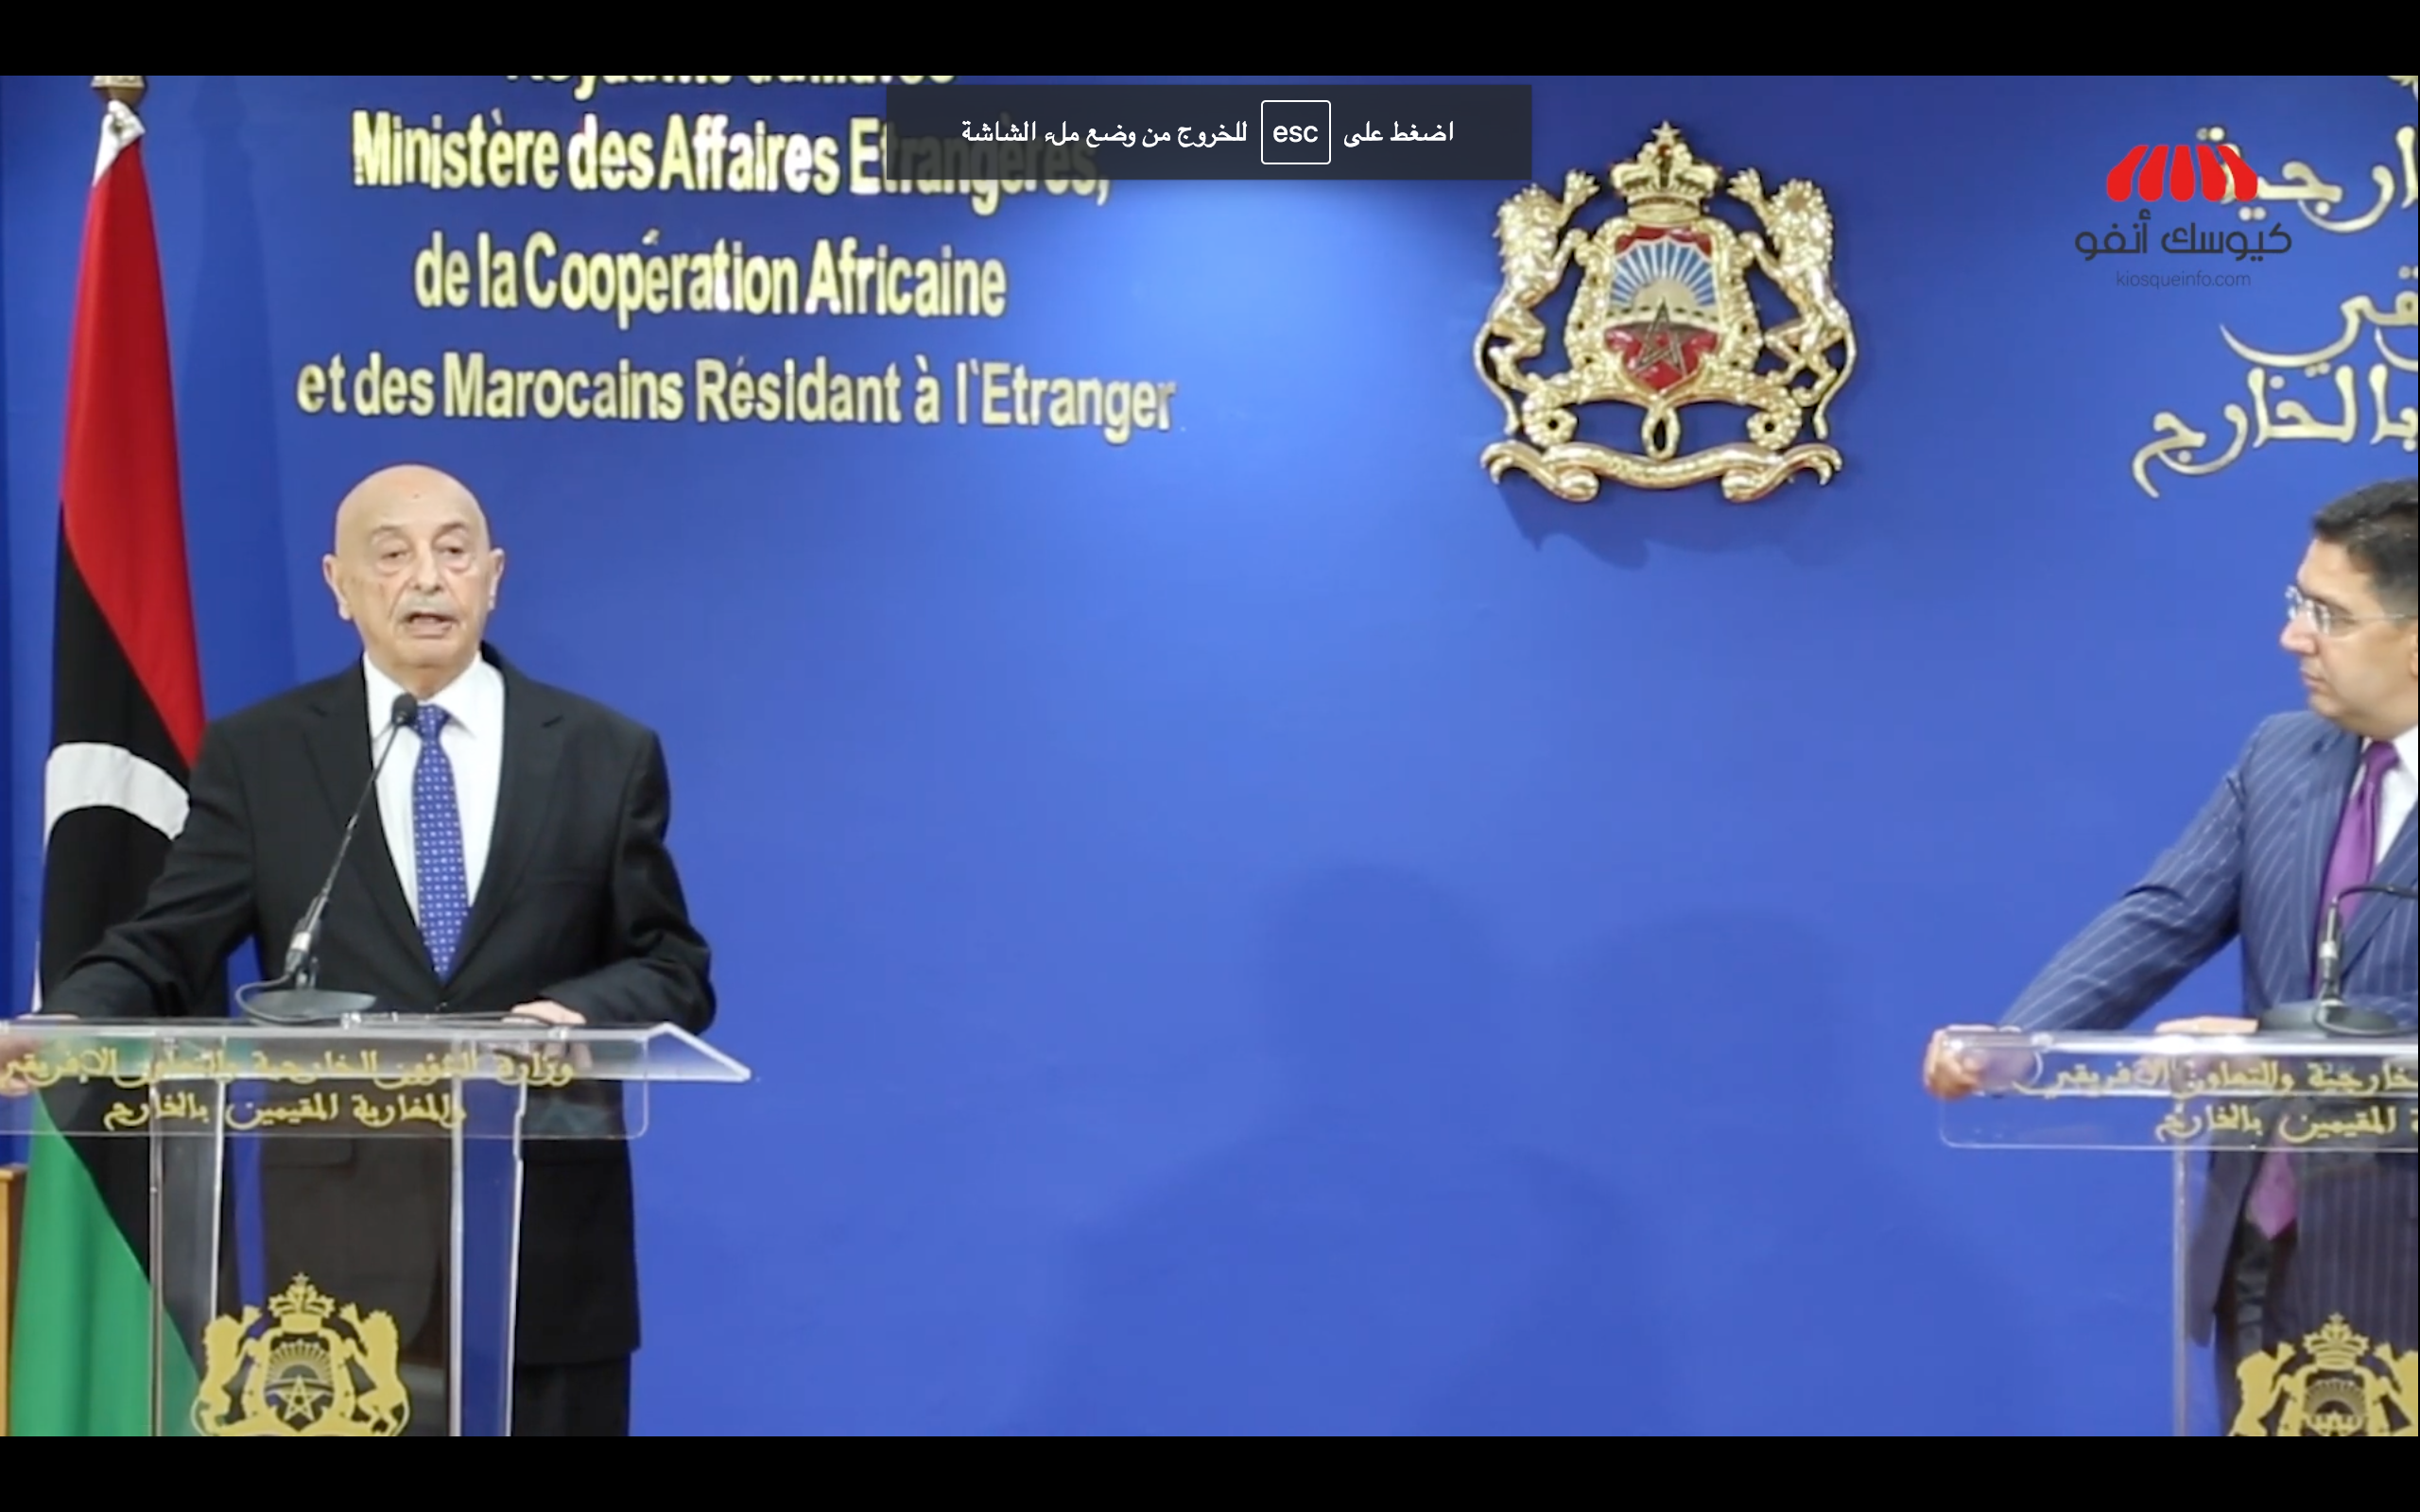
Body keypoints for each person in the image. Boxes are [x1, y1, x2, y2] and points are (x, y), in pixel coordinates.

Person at [4, 463, 714, 1435]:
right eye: (392, 554)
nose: (427, 577)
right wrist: (64, 1024)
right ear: (339, 584)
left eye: (453, 551)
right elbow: (165, 944)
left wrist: (577, 1014)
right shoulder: (264, 756)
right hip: (336, 1270)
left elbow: (671, 964)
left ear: (493, 577)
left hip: (546, 1240)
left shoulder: (603, 752)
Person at [1923, 476, 2416, 1430]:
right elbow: (2166, 913)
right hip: (2267, 1242)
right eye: (2297, 602)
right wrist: (2021, 1041)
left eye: (2328, 615)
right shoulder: (2282, 755)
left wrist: (2286, 1047)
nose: (2293, 636)